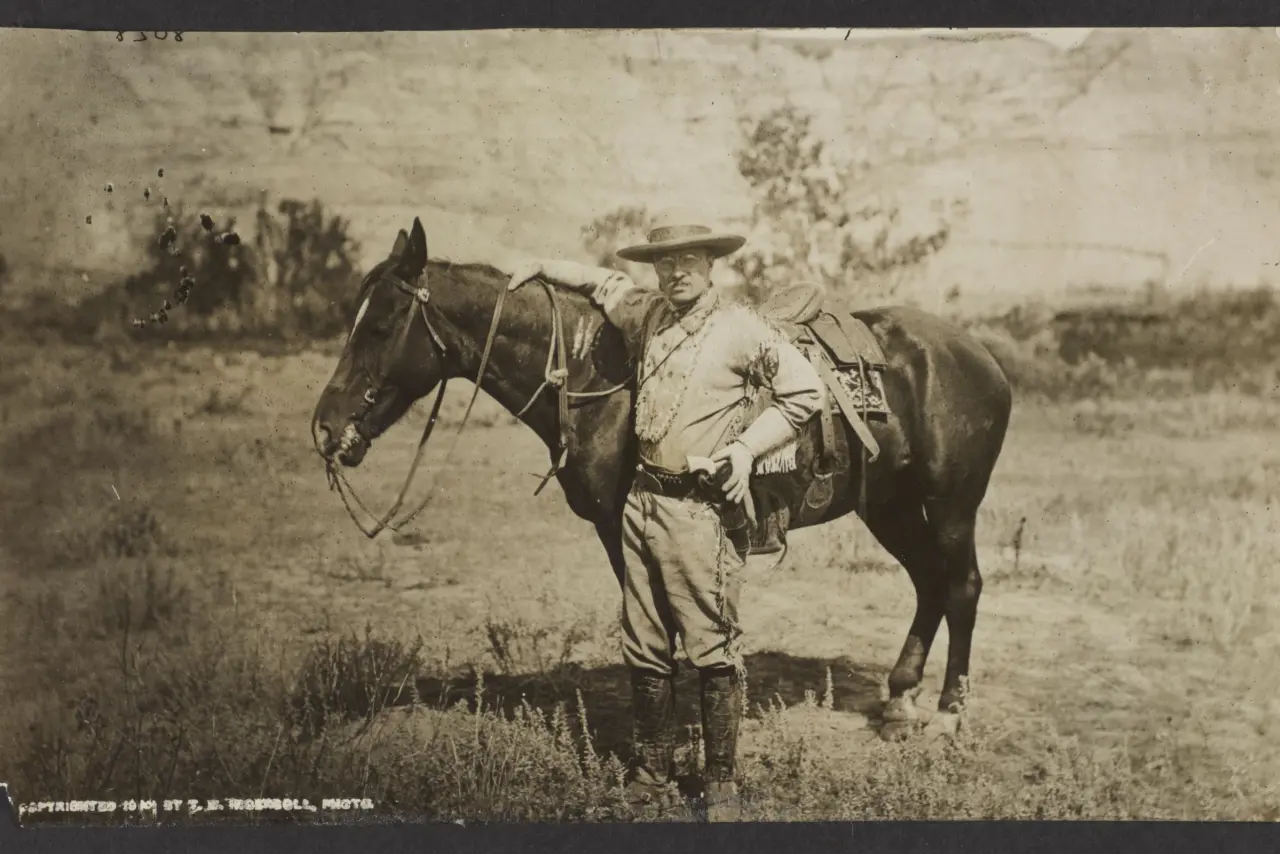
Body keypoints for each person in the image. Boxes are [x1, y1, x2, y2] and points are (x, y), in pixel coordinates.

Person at [506, 219, 825, 821]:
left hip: (700, 511)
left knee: (712, 648)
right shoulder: (649, 315)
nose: (675, 273)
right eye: (665, 263)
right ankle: (651, 774)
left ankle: (722, 784)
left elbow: (805, 392)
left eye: (688, 261)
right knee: (645, 646)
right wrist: (543, 265)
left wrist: (746, 450)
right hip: (642, 503)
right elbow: (603, 283)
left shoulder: (739, 328)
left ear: (711, 265)